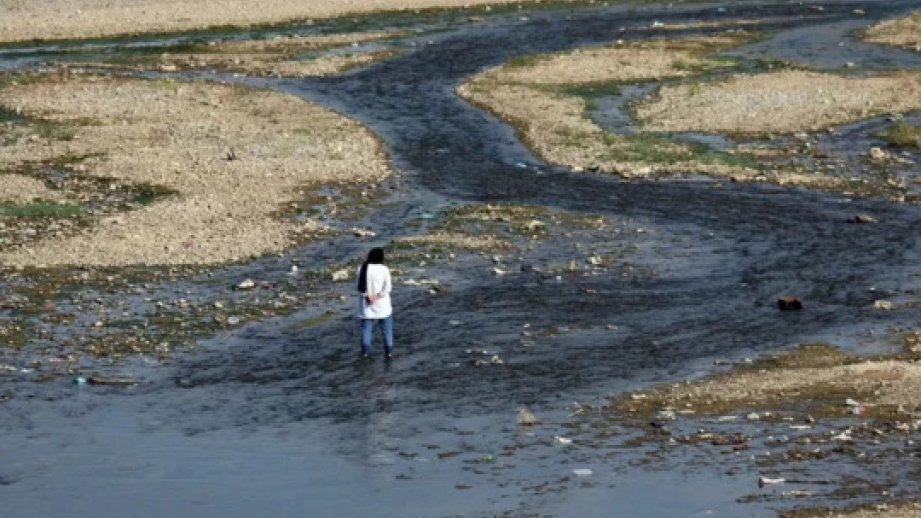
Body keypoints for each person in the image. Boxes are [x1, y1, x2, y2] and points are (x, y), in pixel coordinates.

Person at [356, 247, 393, 359]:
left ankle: (365, 353)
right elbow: (388, 288)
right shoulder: (384, 269)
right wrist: (377, 296)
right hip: (382, 305)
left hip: (367, 305)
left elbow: (359, 288)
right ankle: (389, 352)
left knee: (366, 330)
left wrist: (368, 297)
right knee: (387, 330)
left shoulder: (361, 268)